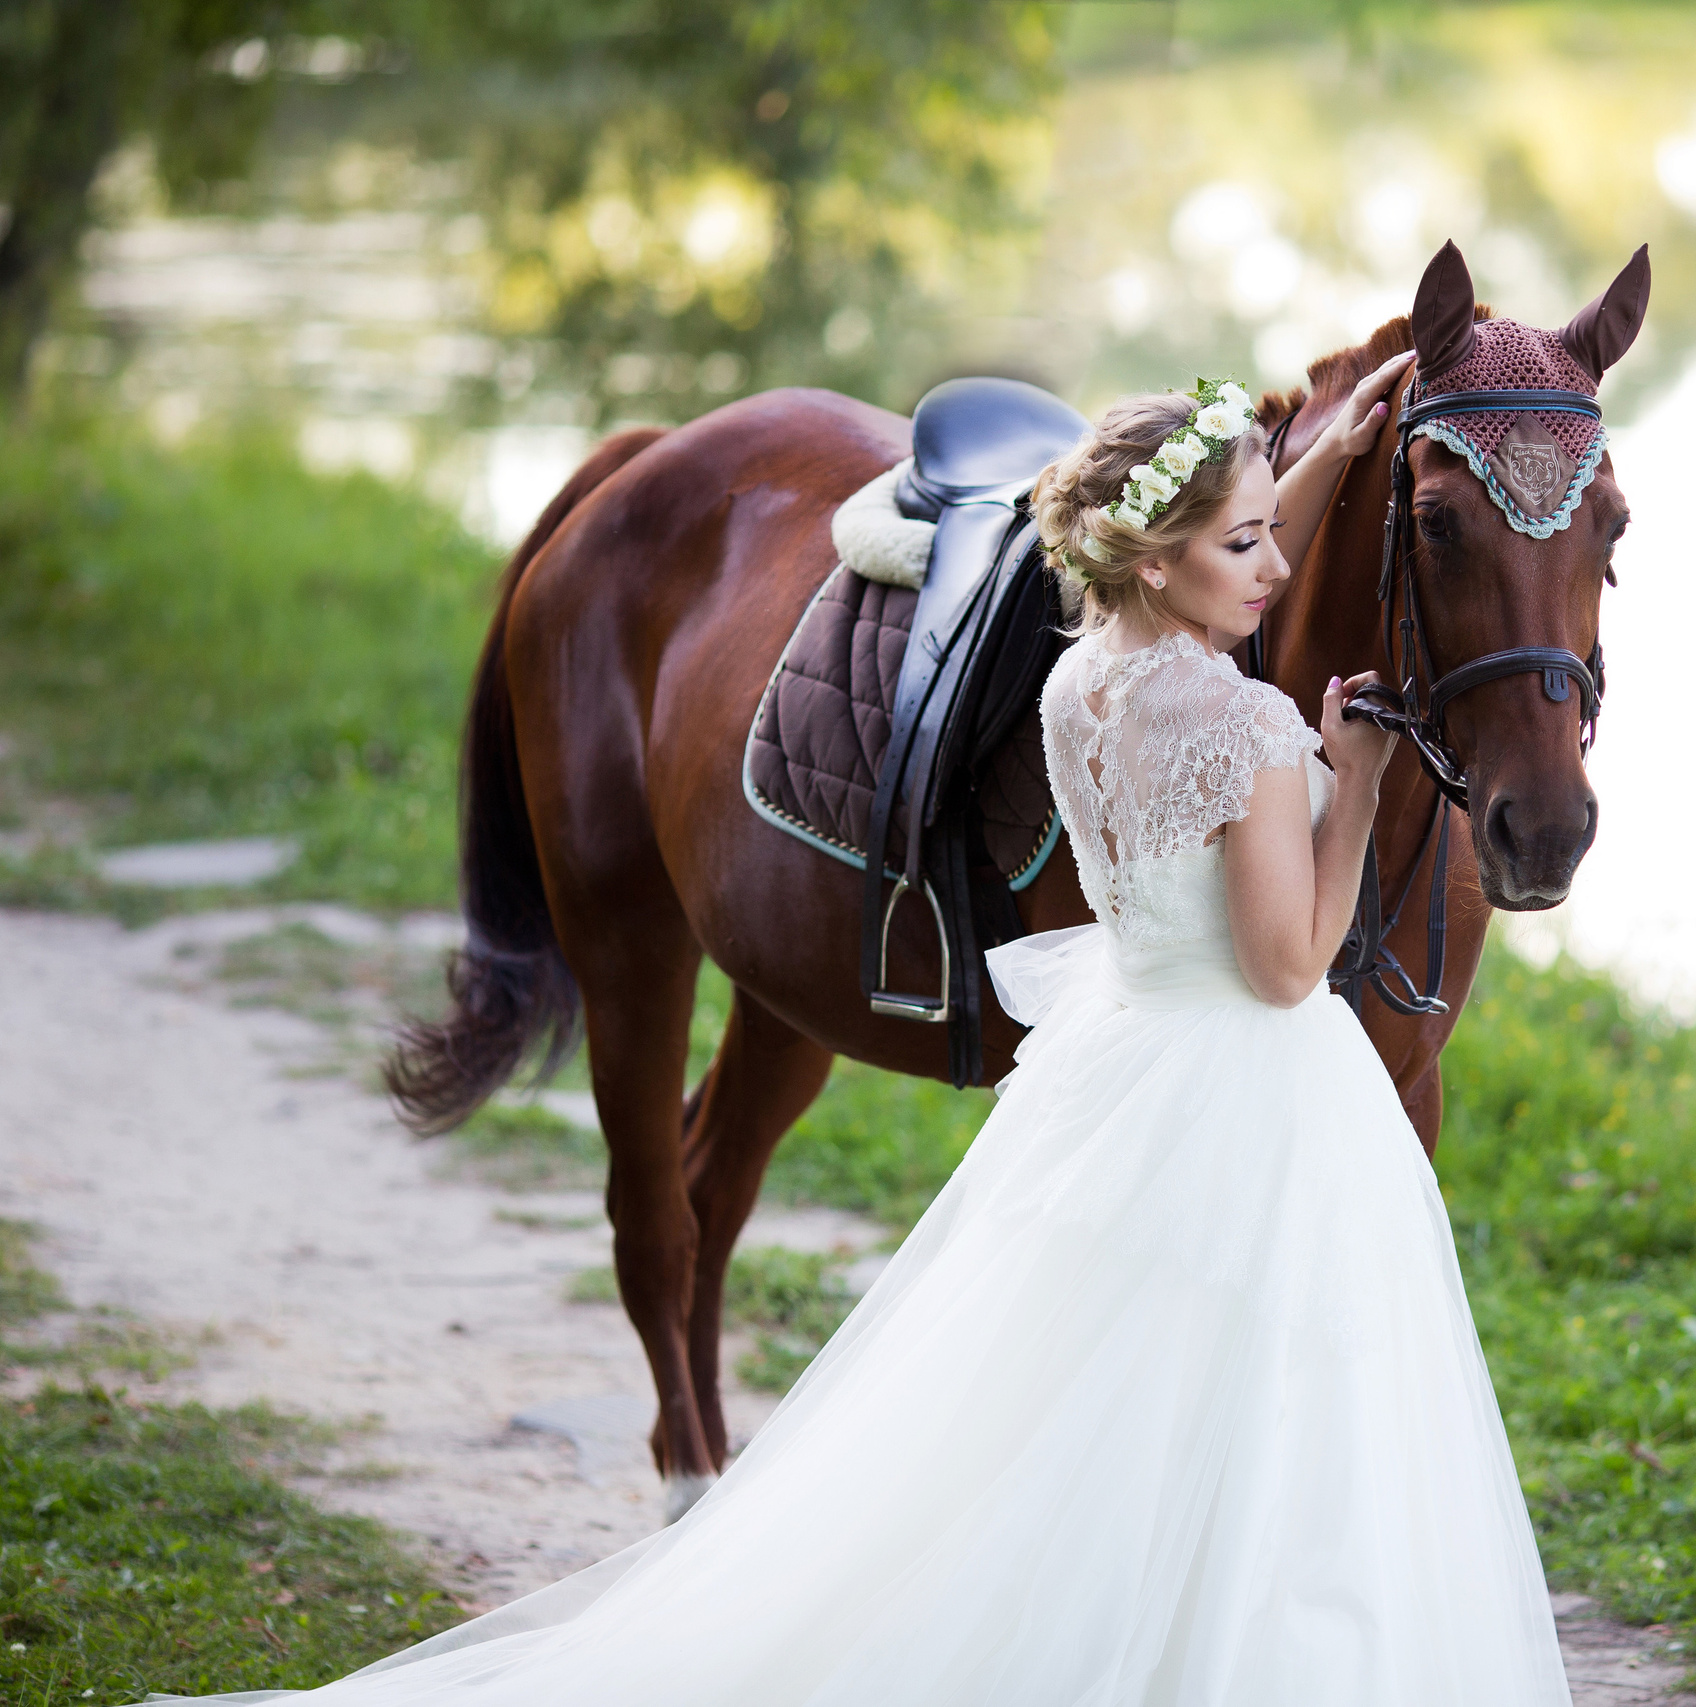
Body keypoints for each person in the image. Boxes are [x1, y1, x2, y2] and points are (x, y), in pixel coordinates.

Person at [157, 352, 1572, 1705]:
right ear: (1164, 560)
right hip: (1238, 1068)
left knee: (1082, 1371)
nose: (1274, 572)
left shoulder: (1088, 676)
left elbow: (1214, 584)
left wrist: (1312, 464)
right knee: (1249, 1375)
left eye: (1276, 537)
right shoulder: (1255, 739)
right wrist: (1365, 782)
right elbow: (1287, 968)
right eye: (1249, 546)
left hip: (1117, 1063)